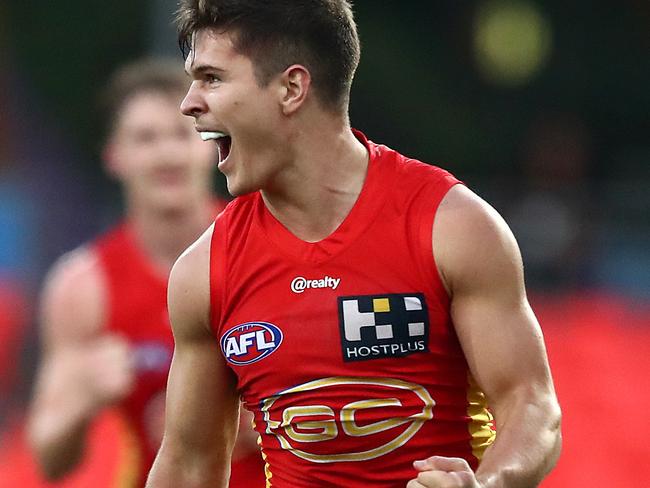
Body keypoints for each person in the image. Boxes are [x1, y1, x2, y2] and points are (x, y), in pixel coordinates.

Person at [147, 1, 562, 487]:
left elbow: (532, 406)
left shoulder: (450, 226)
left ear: (291, 88)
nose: (188, 102)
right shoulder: (204, 271)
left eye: (212, 78)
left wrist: (489, 484)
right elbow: (188, 465)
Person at [28, 58, 265, 488]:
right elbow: (48, 457)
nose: (166, 154)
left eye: (180, 135)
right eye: (145, 138)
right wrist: (82, 400)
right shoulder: (83, 285)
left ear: (213, 146)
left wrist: (238, 418)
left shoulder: (267, 248)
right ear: (113, 156)